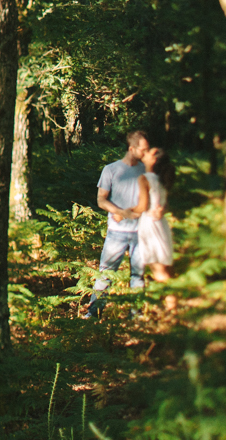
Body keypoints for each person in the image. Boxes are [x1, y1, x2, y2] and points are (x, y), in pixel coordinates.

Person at [81, 130, 149, 318]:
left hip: (140, 232)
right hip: (116, 232)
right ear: (131, 148)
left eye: (147, 149)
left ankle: (135, 314)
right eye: (142, 150)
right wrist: (120, 212)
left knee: (138, 276)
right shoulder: (110, 170)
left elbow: (149, 201)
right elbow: (101, 200)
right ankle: (93, 312)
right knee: (106, 273)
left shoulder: (145, 170)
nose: (145, 153)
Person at [135, 145, 174, 281]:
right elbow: (164, 204)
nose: (144, 154)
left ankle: (171, 300)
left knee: (159, 272)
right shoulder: (160, 179)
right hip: (161, 224)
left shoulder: (144, 179)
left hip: (150, 226)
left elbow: (142, 207)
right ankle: (171, 300)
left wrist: (121, 211)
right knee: (165, 271)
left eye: (149, 153)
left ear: (154, 161)